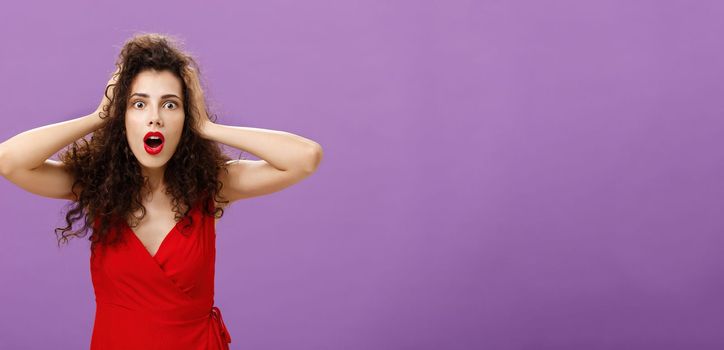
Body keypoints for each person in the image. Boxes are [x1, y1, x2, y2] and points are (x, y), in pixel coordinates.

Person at [0, 33, 323, 349]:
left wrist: (208, 127)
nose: (154, 118)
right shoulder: (95, 186)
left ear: (186, 116)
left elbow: (304, 159)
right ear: (121, 115)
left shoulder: (212, 184)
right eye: (138, 104)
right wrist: (98, 116)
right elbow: (10, 161)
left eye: (170, 104)